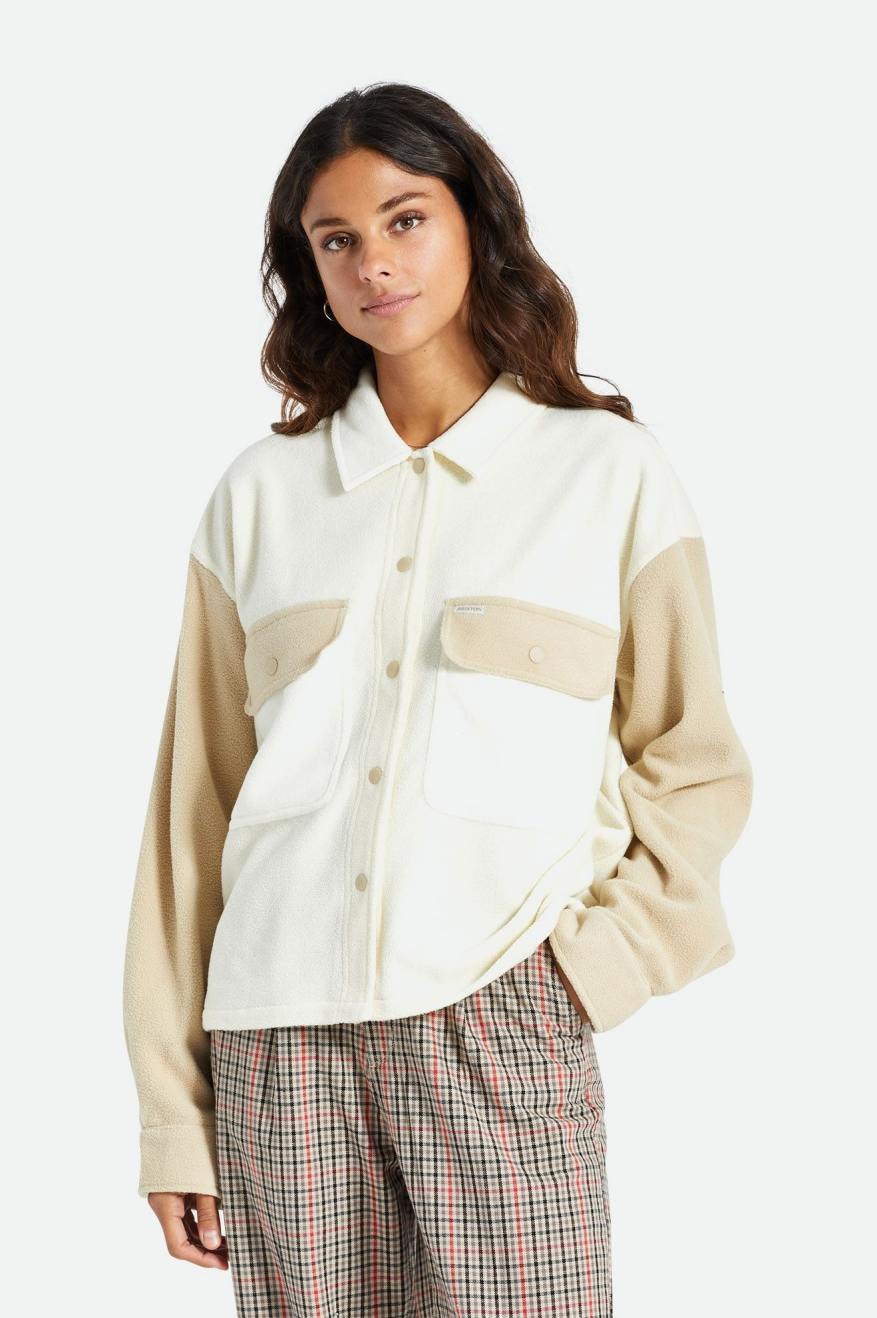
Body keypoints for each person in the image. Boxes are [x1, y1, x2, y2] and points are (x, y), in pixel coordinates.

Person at [122, 81, 754, 1316]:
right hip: (276, 1042)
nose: (374, 263)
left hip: (499, 1015)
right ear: (307, 269)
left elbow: (695, 759)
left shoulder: (607, 473)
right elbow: (189, 823)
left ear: (475, 223)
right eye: (336, 238)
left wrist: (586, 971)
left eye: (405, 219)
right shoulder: (257, 499)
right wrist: (171, 1116)